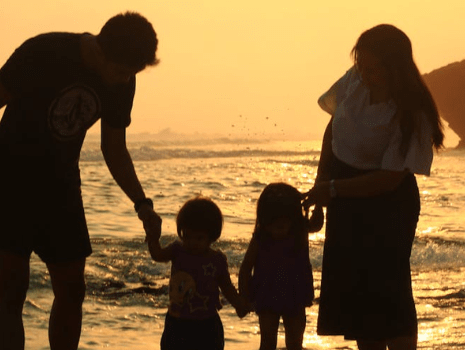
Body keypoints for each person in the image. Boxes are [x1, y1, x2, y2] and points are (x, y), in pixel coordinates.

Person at [0, 12, 162, 350]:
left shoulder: (124, 78)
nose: (123, 80)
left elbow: (114, 148)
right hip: (9, 181)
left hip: (62, 187)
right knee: (12, 290)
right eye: (121, 71)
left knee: (72, 290)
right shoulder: (44, 51)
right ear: (100, 51)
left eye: (132, 73)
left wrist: (143, 205)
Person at [302, 24, 445, 350]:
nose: (365, 74)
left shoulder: (413, 110)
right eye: (361, 65)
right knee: (357, 296)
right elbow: (333, 129)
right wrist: (322, 185)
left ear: (396, 67)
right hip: (344, 195)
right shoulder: (355, 81)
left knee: (390, 292)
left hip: (388, 205)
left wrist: (334, 189)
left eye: (374, 69)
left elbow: (390, 177)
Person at [146, 196, 249, 350]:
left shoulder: (217, 260)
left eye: (199, 238)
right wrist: (153, 239)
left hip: (207, 324)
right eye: (187, 236)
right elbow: (158, 255)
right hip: (177, 321)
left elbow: (227, 287)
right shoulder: (177, 250)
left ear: (212, 236)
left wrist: (239, 304)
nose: (192, 242)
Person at [239, 183, 316, 350]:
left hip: (295, 295)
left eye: (283, 224)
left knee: (295, 343)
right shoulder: (261, 239)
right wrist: (244, 298)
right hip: (267, 295)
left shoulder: (299, 233)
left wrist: (317, 205)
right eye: (273, 224)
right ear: (265, 222)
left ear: (293, 219)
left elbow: (316, 225)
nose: (278, 229)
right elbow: (245, 268)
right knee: (267, 342)